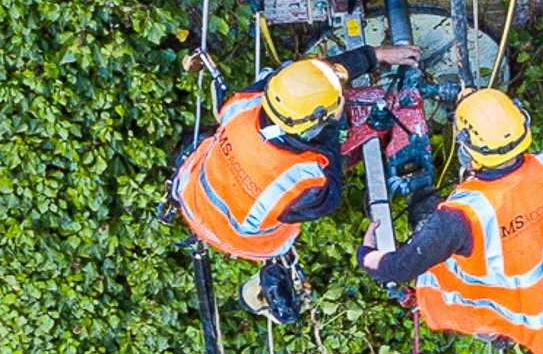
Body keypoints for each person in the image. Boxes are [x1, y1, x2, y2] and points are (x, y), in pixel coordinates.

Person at [174, 45, 420, 324]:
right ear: (315, 122)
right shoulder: (303, 179)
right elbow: (331, 194)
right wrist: (330, 133)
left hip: (192, 190)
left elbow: (312, 79)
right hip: (245, 237)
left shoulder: (251, 102)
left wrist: (374, 56)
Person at [356, 89, 543, 354]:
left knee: (423, 209)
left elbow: (397, 268)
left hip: (478, 310)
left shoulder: (462, 217)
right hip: (537, 306)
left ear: (465, 147)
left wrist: (367, 255)